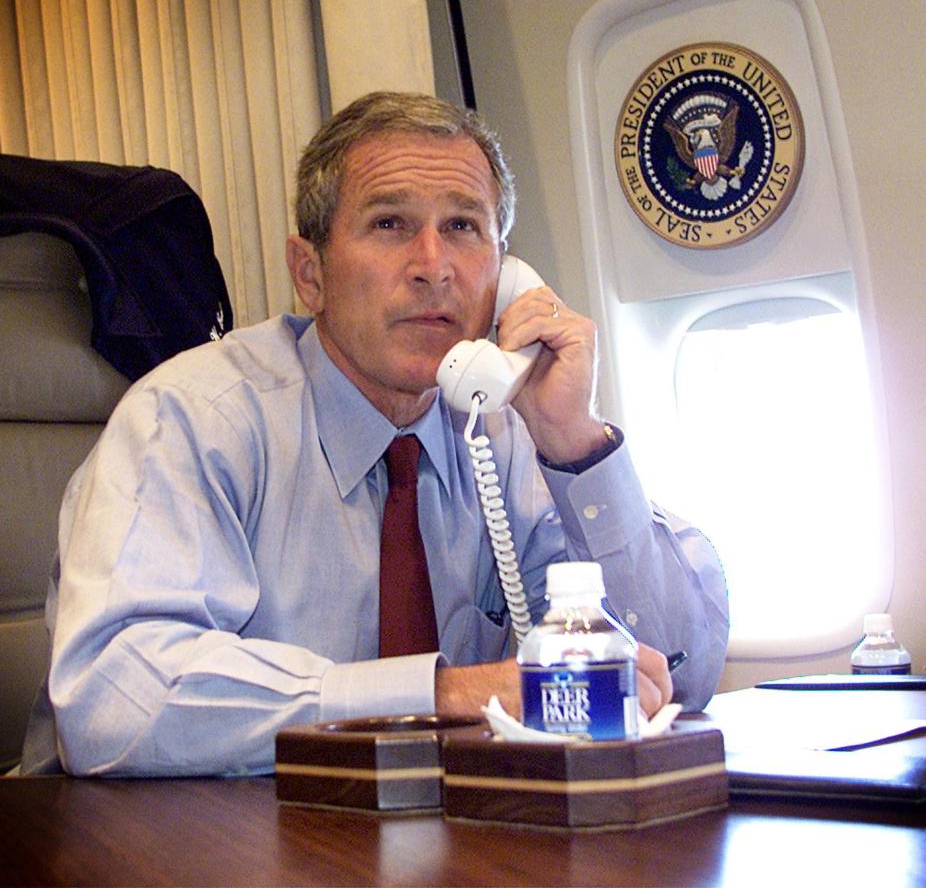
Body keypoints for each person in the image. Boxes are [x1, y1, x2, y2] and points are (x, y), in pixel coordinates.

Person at [22, 91, 728, 776]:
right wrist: (443, 694)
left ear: (504, 273)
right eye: (390, 224)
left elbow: (679, 670)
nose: (433, 266)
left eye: (463, 227)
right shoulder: (193, 417)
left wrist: (575, 439)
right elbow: (111, 698)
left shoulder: (505, 434)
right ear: (311, 273)